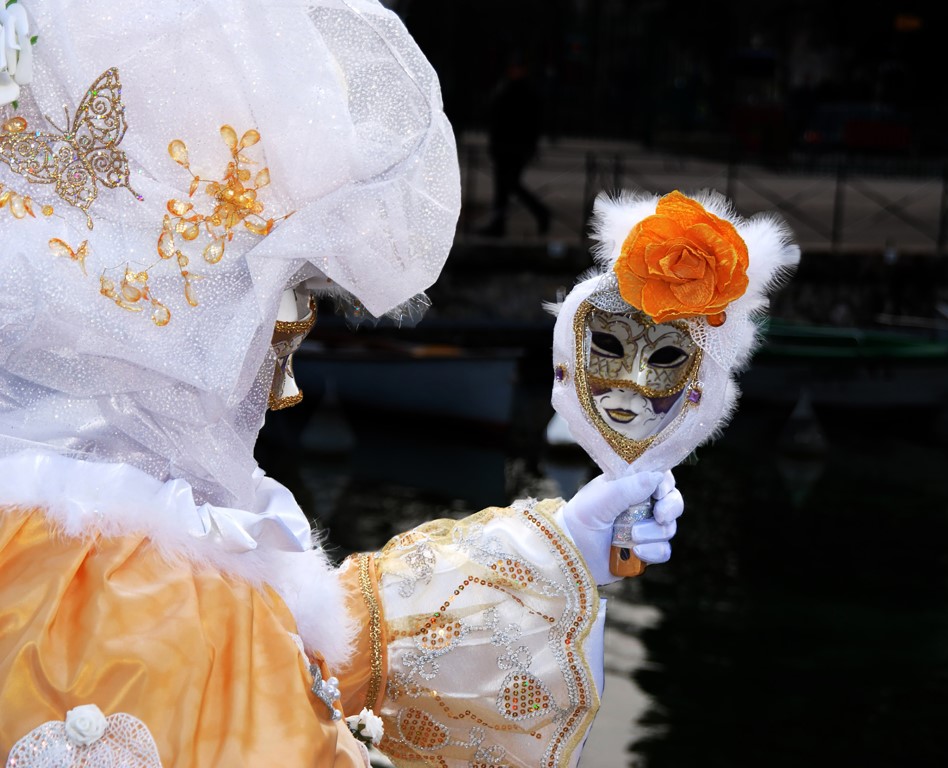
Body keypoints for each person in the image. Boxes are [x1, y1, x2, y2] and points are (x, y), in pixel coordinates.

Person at [0, 1, 684, 766]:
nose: (283, 382)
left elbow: (281, 667)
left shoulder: (76, 555)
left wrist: (552, 553)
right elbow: (242, 684)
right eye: (279, 301)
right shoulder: (146, 599)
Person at [476, 59, 551, 237]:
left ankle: (539, 212)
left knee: (508, 184)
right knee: (503, 187)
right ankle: (499, 224)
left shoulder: (523, 91)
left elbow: (528, 121)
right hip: (505, 145)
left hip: (514, 147)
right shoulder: (509, 87)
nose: (513, 71)